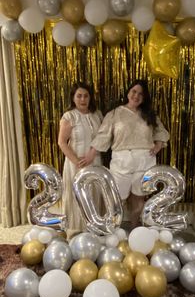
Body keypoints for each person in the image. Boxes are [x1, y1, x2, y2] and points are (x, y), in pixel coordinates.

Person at [81, 79, 170, 229]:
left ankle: (135, 229)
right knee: (116, 199)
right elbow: (103, 135)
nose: (136, 96)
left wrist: (158, 145)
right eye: (134, 91)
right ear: (128, 92)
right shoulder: (115, 113)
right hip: (121, 160)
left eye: (140, 94)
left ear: (144, 97)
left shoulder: (148, 114)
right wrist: (91, 153)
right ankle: (113, 229)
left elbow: (160, 131)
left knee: (138, 199)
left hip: (144, 159)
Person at [58, 82, 103, 238]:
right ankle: (76, 233)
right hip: (75, 163)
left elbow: (103, 138)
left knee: (95, 194)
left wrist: (92, 153)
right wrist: (77, 161)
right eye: (79, 96)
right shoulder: (69, 116)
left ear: (90, 97)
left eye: (86, 95)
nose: (83, 99)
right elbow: (62, 142)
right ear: (73, 98)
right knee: (78, 196)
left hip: (95, 161)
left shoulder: (97, 114)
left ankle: (94, 229)